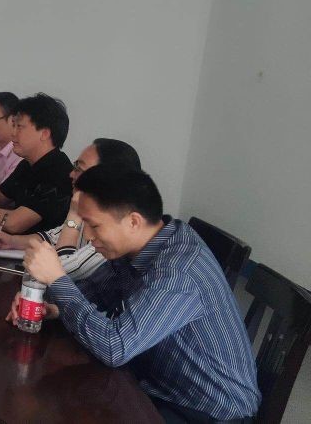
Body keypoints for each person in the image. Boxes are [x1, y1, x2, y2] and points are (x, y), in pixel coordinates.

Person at [13, 166, 260, 423]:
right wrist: (52, 308)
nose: (88, 236)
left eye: (94, 225)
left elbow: (114, 347)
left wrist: (57, 278)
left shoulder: (178, 271)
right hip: (155, 385)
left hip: (207, 410)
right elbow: (95, 291)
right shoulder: (144, 245)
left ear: (133, 222)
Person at [0, 138, 141, 280]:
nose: (71, 174)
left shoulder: (117, 228)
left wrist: (74, 215)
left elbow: (59, 274)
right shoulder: (95, 211)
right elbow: (51, 238)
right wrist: (11, 241)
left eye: (79, 169)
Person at [0, 93, 73, 234]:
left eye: (19, 127)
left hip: (39, 247)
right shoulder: (27, 164)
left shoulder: (58, 172)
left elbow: (14, 223)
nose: (13, 133)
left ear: (44, 134)